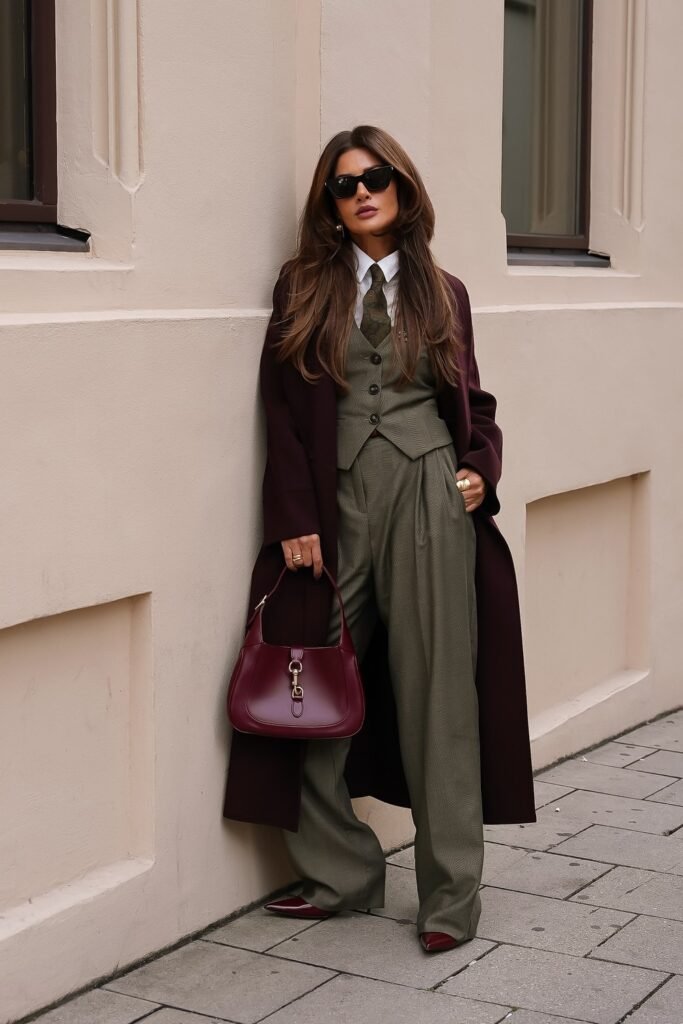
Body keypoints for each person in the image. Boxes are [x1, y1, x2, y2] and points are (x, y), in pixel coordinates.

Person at [223, 124, 536, 954]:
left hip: (429, 493)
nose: (362, 192)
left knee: (442, 701)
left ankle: (448, 900)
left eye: (377, 177)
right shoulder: (303, 288)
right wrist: (292, 515)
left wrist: (479, 467)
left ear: (403, 187)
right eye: (343, 184)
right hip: (335, 505)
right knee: (306, 689)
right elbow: (282, 413)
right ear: (328, 206)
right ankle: (344, 873)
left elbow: (474, 400)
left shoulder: (444, 291)